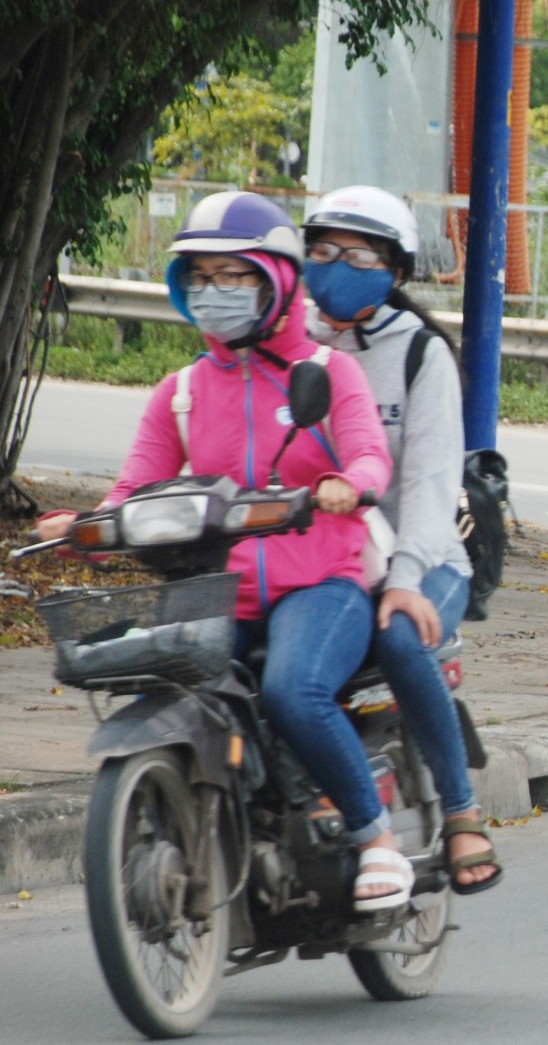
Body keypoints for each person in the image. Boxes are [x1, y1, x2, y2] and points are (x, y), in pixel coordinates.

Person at [37, 193, 408, 908]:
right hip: (219, 592)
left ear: (275, 282)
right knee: (161, 678)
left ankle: (376, 839)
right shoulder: (180, 392)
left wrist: (346, 485)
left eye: (234, 276)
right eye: (200, 276)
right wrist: (80, 529)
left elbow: (369, 458)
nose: (215, 291)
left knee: (292, 691)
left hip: (321, 584)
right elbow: (132, 492)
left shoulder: (330, 373)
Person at [303, 185, 503, 895]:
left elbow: (427, 485)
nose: (335, 266)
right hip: (322, 556)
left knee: (396, 636)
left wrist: (408, 579)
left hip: (427, 555)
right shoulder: (289, 340)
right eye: (322, 250)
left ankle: (460, 810)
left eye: (357, 255)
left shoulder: (421, 356)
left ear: (394, 269)